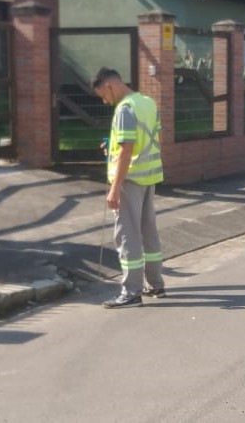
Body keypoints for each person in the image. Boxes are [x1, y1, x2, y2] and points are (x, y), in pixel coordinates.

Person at [93, 67, 166, 309]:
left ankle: (131, 291)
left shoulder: (124, 109)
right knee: (148, 230)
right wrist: (111, 148)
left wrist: (114, 188)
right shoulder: (146, 102)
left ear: (109, 86)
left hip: (130, 179)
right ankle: (155, 284)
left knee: (127, 235)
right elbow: (145, 140)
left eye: (102, 96)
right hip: (148, 176)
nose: (104, 101)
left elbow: (126, 150)